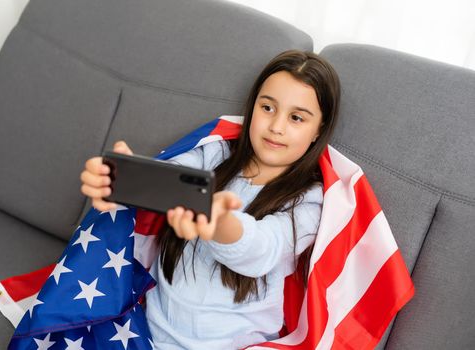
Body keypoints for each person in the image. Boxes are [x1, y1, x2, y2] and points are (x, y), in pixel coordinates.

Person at [80, 50, 340, 349]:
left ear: (318, 130)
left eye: (296, 118)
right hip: (147, 330)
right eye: (267, 107)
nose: (277, 126)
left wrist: (220, 222)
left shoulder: (310, 200)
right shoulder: (215, 153)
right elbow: (174, 175)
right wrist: (124, 179)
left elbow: (265, 247)